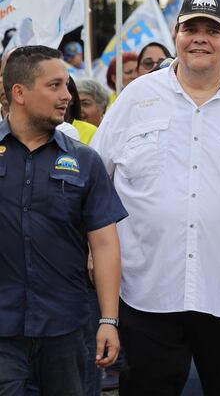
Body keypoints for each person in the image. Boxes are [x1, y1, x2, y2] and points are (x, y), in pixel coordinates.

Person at [91, 0, 220, 395]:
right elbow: (97, 184)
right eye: (191, 28)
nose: (200, 38)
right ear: (176, 34)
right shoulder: (135, 99)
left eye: (212, 29)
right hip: (146, 289)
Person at [0, 45, 126, 394]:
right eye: (54, 86)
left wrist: (108, 320)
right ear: (20, 93)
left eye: (67, 86)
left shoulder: (86, 161)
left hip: (66, 330)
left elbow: (104, 245)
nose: (66, 96)